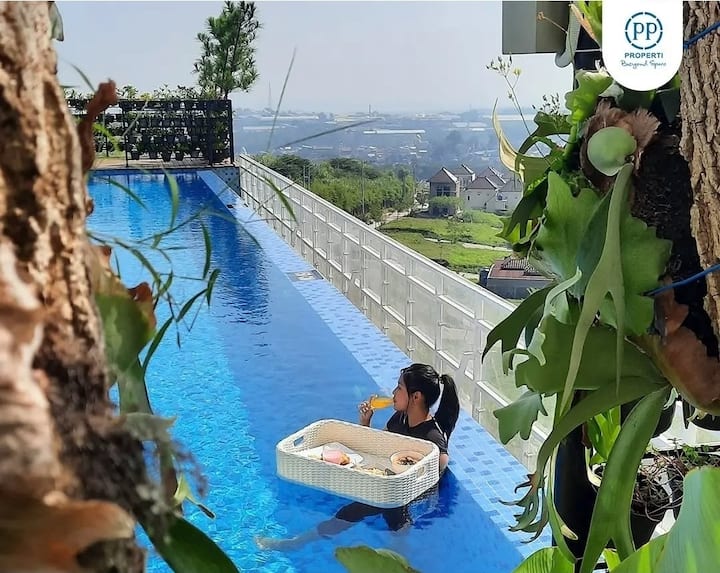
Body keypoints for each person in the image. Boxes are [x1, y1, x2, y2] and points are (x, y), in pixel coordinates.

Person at [256, 363, 460, 551]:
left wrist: (409, 483)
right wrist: (365, 423)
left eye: (399, 388)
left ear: (416, 397)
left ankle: (295, 544)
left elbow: (440, 464)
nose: (393, 392)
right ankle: (296, 543)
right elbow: (379, 447)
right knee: (350, 514)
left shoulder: (431, 437)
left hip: (404, 496)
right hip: (386, 487)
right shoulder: (400, 418)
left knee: (393, 526)